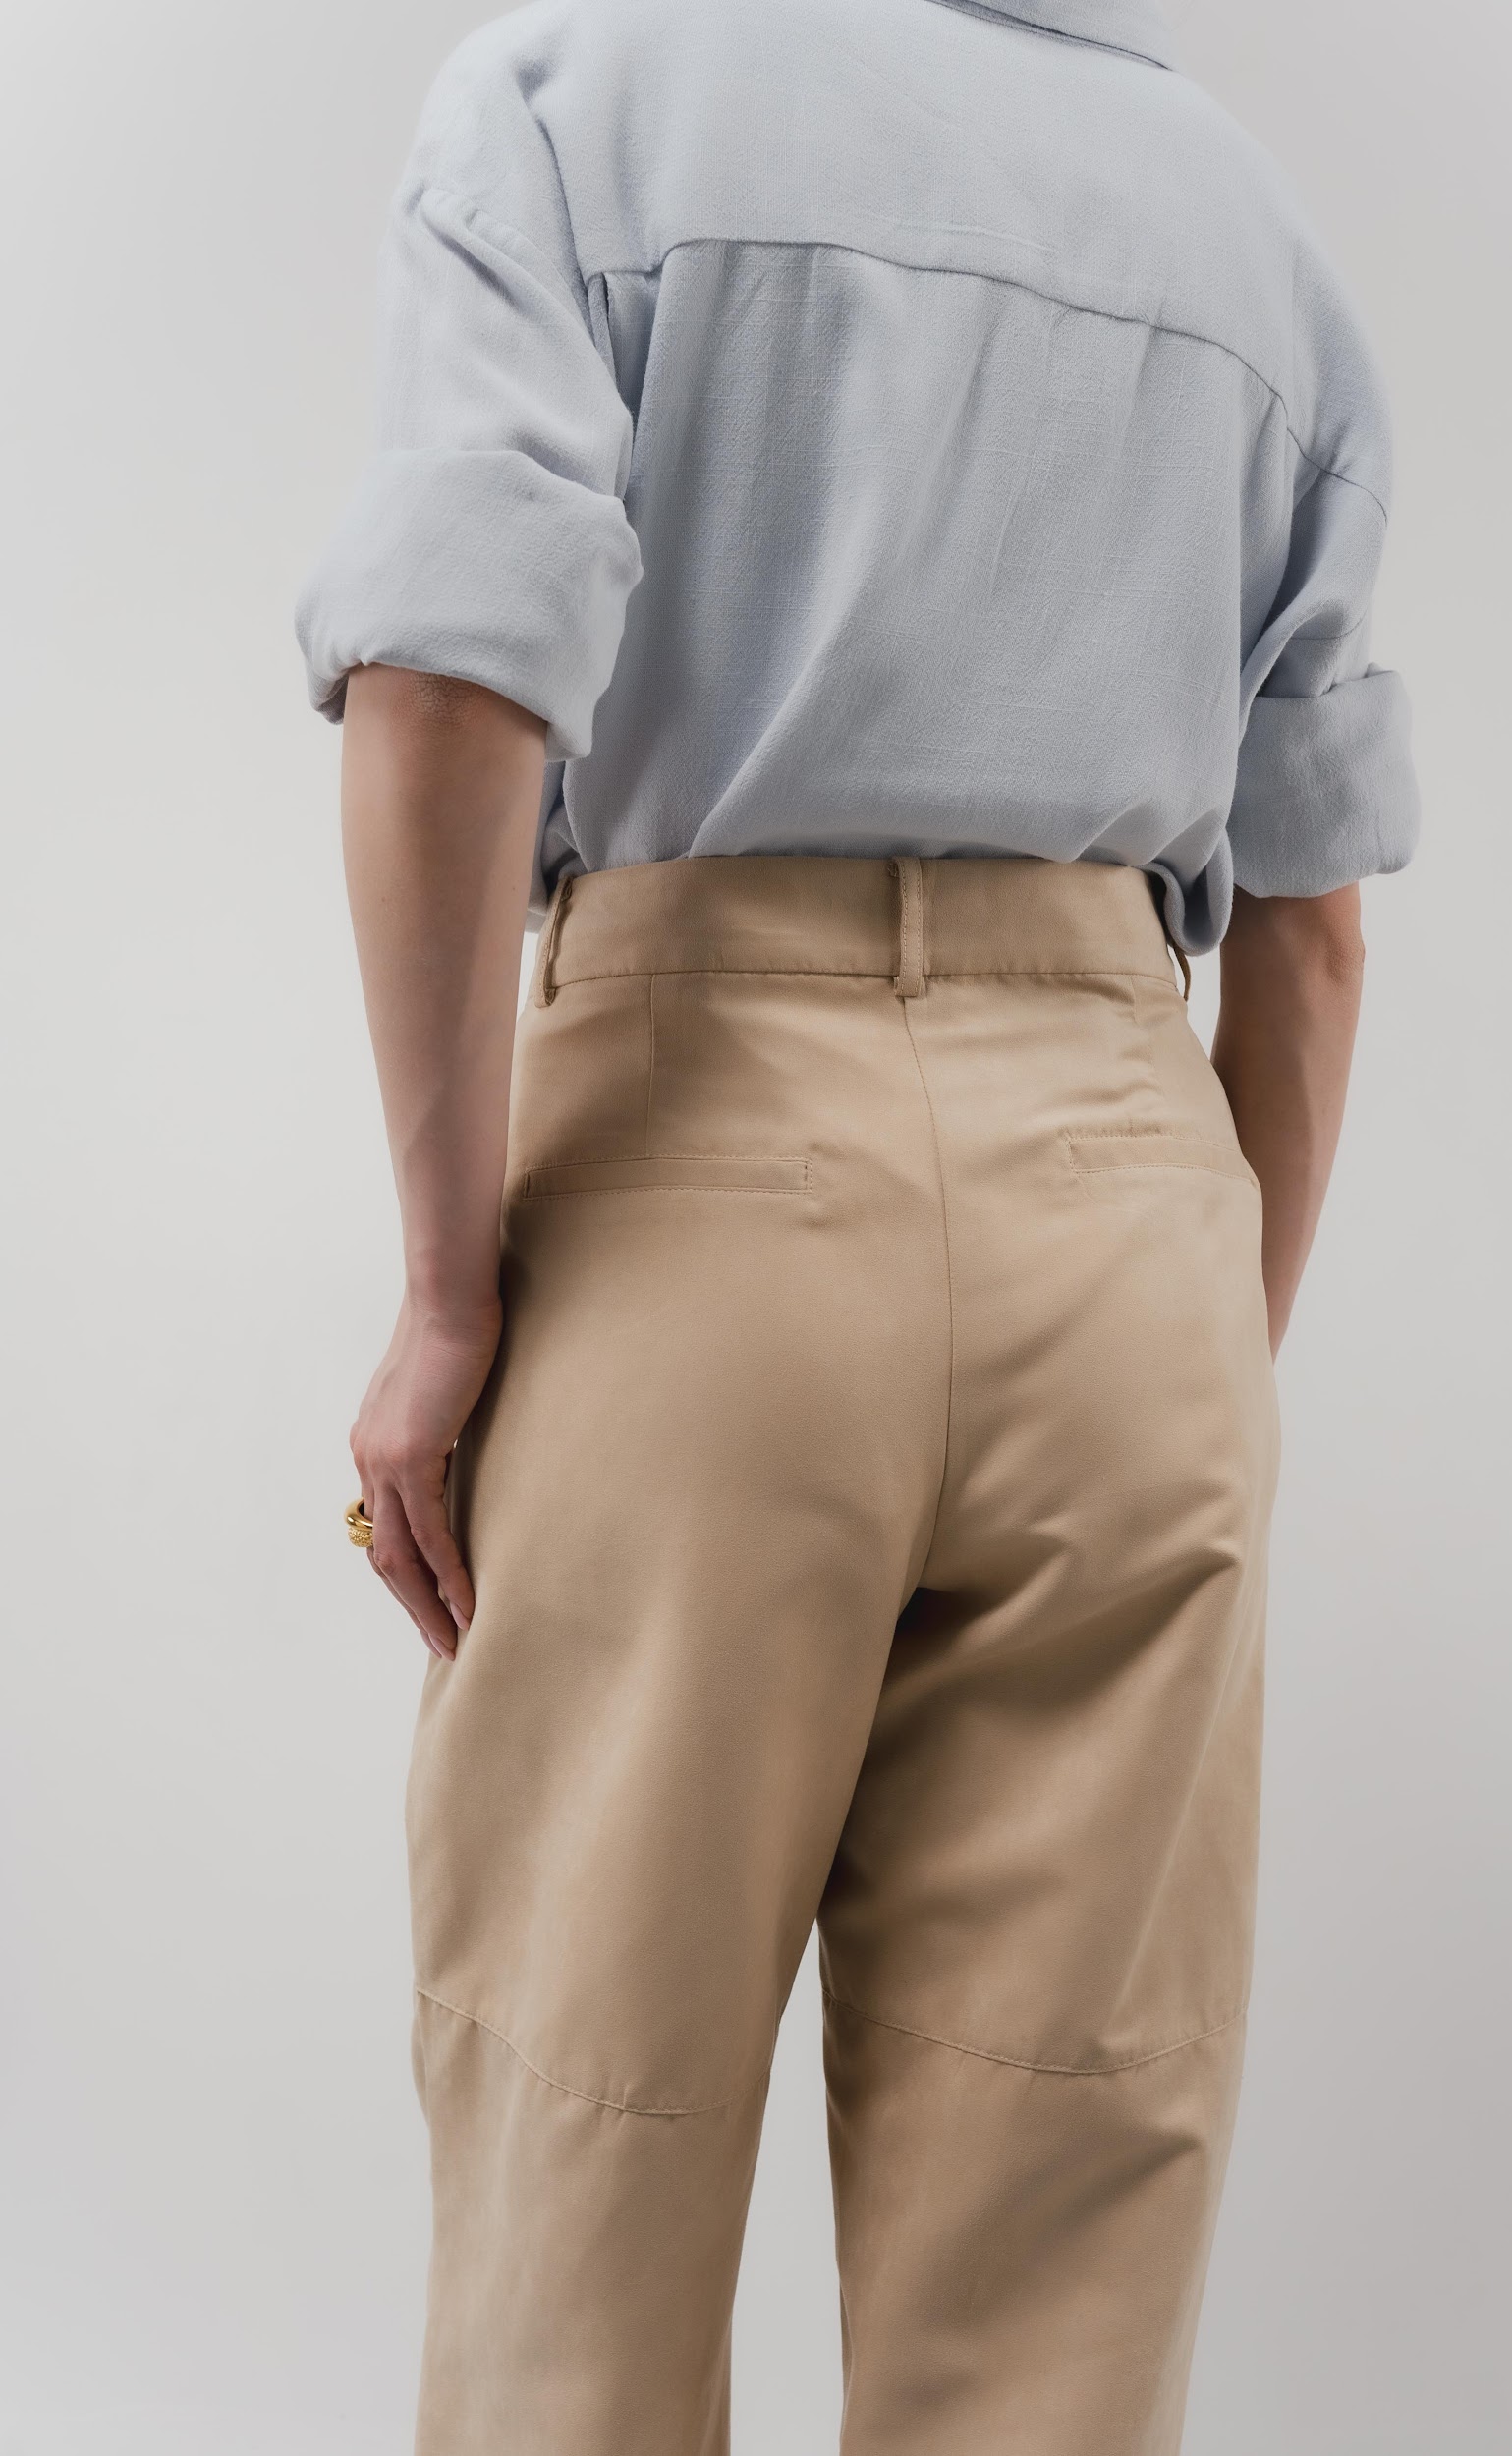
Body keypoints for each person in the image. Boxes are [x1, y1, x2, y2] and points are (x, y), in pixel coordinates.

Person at [297, 1, 1419, 2447]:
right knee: (1060, 2271)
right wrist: (1188, 1355)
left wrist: (449, 1288)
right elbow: (1315, 927)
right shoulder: (1252, 233)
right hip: (1133, 1197)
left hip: (704, 1175)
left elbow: (451, 689)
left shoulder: (583, 100)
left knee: (584, 2174)